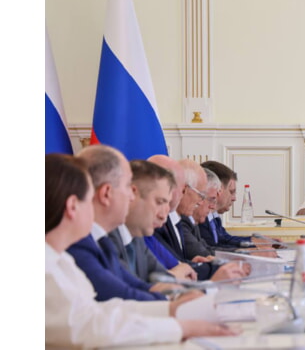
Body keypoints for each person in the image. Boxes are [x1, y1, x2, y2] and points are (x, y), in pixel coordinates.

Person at [46, 154, 234, 347]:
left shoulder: (66, 258)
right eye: (89, 200)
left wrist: (172, 309)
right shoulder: (58, 261)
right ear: (73, 206)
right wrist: (179, 325)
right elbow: (90, 325)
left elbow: (107, 308)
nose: (131, 197)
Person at [66, 145, 168, 301]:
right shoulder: (77, 242)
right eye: (127, 186)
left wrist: (178, 295)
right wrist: (174, 303)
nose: (132, 197)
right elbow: (120, 295)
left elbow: (134, 285)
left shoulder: (103, 241)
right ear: (106, 193)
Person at [150, 155, 247, 282]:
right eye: (201, 195)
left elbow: (179, 264)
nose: (201, 202)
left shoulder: (175, 221)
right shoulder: (159, 224)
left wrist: (195, 265)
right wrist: (216, 268)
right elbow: (165, 273)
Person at [107, 160, 185, 286]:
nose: (163, 216)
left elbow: (165, 279)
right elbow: (127, 290)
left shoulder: (137, 239)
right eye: (159, 202)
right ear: (132, 194)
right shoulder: (106, 239)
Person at [199, 161, 278, 254]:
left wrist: (254, 242)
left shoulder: (213, 215)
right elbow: (210, 249)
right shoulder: (199, 216)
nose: (234, 198)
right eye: (231, 192)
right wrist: (250, 251)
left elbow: (224, 239)